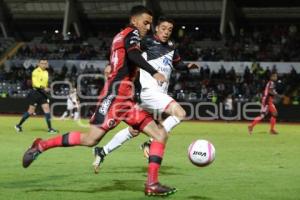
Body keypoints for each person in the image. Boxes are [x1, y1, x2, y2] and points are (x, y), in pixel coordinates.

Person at [22, 6, 176, 197]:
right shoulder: (132, 33)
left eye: (150, 24)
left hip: (126, 99)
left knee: (160, 134)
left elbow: (124, 61)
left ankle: (152, 184)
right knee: (90, 139)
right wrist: (154, 72)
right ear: (134, 20)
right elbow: (133, 55)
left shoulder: (121, 36)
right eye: (146, 22)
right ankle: (41, 145)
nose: (148, 27)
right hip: (115, 96)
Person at [92, 16, 199, 172]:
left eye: (169, 29)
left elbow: (177, 65)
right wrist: (110, 64)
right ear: (156, 28)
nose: (166, 32)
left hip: (156, 95)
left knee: (134, 130)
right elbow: (128, 52)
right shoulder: (147, 42)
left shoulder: (171, 46)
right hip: (148, 92)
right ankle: (150, 142)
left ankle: (102, 151)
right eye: (163, 28)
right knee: (180, 113)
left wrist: (188, 66)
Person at [15, 59, 57, 133]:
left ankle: (50, 128)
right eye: (42, 63)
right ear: (39, 64)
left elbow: (44, 83)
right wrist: (44, 88)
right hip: (35, 93)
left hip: (43, 93)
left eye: (45, 63)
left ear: (47, 64)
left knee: (47, 109)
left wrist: (47, 89)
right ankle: (18, 125)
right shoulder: (35, 72)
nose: (44, 64)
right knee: (31, 111)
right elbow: (35, 84)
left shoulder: (46, 72)